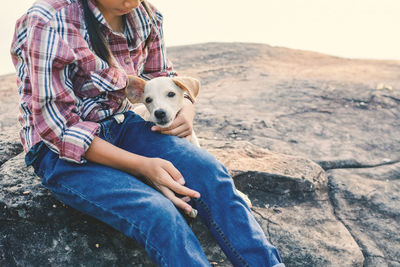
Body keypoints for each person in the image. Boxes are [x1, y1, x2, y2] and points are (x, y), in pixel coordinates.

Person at [10, 0, 285, 266]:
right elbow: (57, 129)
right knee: (158, 212)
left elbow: (163, 75)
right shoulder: (48, 20)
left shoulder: (144, 14)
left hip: (121, 126)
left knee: (210, 171)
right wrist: (142, 166)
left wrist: (186, 109)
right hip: (60, 151)